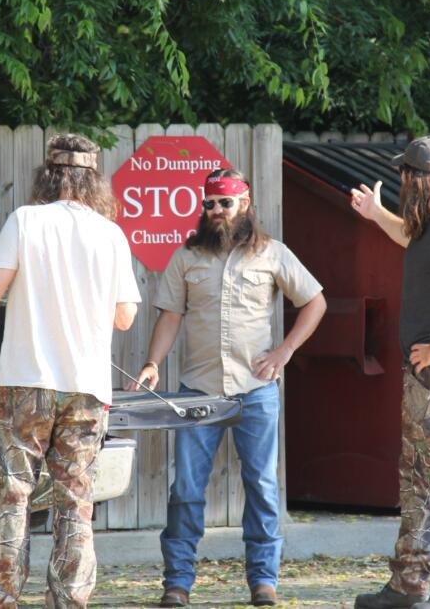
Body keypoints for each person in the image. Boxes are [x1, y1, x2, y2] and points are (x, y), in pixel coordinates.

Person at [0, 134, 141, 609]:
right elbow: (125, 317)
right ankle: (69, 602)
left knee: (12, 499)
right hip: (86, 388)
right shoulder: (112, 234)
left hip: (25, 382)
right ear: (94, 179)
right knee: (76, 505)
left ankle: (1, 600)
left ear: (48, 174)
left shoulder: (26, 220)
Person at [127, 168, 327, 607]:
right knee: (186, 489)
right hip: (198, 391)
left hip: (256, 390)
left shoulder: (272, 254)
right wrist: (152, 363)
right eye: (210, 204)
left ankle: (263, 581)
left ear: (245, 203)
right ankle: (177, 583)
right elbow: (170, 315)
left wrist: (284, 352)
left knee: (261, 485)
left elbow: (315, 301)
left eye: (225, 203)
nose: (216, 211)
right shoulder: (186, 256)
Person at [349, 136, 430, 609]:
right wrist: (375, 213)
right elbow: (405, 234)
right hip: (425, 372)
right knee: (417, 479)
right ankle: (409, 584)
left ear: (413, 178)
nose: (401, 182)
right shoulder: (428, 228)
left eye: (404, 175)